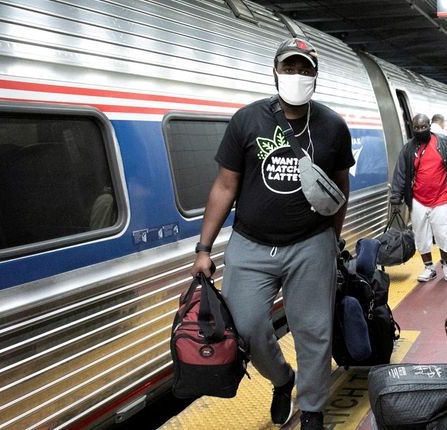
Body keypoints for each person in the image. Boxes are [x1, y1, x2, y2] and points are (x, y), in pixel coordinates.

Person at [190, 37, 354, 430]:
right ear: (275, 71)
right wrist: (203, 248)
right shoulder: (247, 120)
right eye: (290, 68)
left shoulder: (332, 126)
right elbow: (225, 187)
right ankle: (283, 379)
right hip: (250, 243)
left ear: (316, 75)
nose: (297, 76)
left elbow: (339, 189)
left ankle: (313, 410)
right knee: (246, 326)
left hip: (310, 243)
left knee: (313, 332)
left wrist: (332, 239)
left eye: (305, 69)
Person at [390, 114, 447, 282]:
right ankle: (429, 267)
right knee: (421, 237)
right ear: (413, 128)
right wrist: (395, 198)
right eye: (417, 128)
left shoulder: (444, 142)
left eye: (423, 127)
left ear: (429, 126)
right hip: (417, 200)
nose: (420, 130)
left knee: (444, 235)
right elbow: (400, 174)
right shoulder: (408, 149)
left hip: (442, 198)